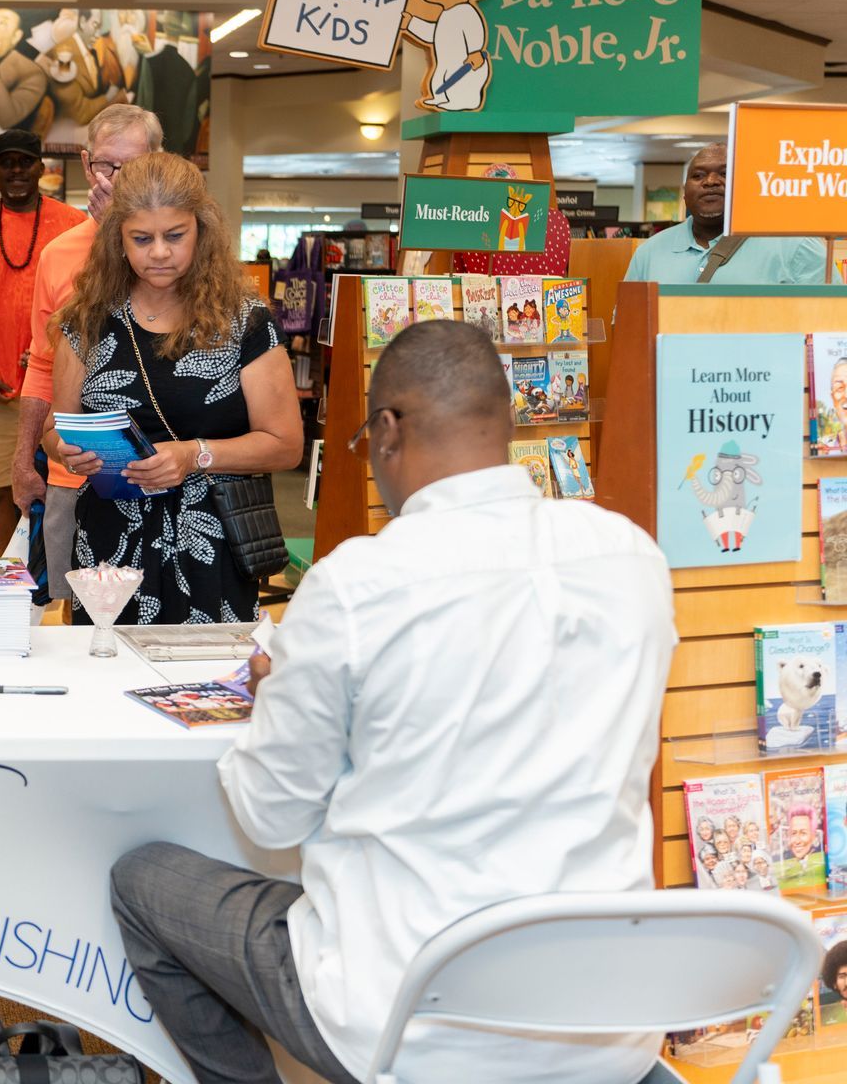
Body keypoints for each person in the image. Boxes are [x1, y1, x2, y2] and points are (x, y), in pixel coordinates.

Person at [111, 319, 677, 1084]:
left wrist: (279, 697)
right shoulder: (631, 556)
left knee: (144, 881)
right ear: (508, 422)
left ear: (386, 430)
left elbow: (270, 814)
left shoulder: (357, 586)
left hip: (409, 1022)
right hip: (609, 1026)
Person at [46, 153, 301, 624]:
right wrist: (67, 450)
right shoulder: (86, 322)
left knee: (205, 688)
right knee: (104, 678)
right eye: (141, 239)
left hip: (211, 542)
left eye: (175, 236)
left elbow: (284, 445)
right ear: (116, 240)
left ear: (201, 232)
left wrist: (194, 455)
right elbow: (54, 428)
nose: (159, 252)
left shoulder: (243, 322)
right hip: (111, 545)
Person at [11, 104, 162, 602]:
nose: (114, 179)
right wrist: (22, 459)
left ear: (157, 161)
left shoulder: (174, 252)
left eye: (130, 166)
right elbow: (42, 365)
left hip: (160, 469)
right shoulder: (58, 254)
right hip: (72, 469)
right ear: (84, 163)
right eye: (104, 165)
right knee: (75, 612)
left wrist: (121, 234)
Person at [0, 128, 86, 553]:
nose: (17, 171)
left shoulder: (75, 224)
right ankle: (5, 581)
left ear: (43, 167)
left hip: (63, 390)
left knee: (70, 491)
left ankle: (67, 600)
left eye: (26, 161)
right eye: (7, 163)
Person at [623, 143, 825, 285]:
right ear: (684, 192)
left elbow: (834, 324)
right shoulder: (648, 253)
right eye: (698, 175)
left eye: (725, 174)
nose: (710, 181)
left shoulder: (797, 246)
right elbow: (628, 327)